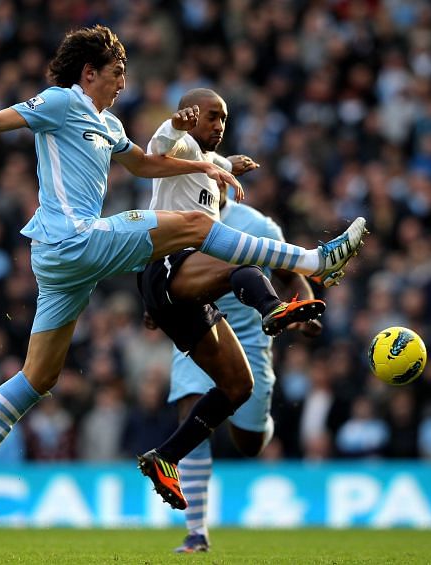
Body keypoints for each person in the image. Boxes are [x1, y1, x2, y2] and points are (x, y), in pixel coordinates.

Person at [0, 25, 367, 528]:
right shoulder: (61, 101)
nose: (123, 83)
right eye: (117, 73)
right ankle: (316, 261)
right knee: (197, 225)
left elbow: (146, 164)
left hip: (64, 262)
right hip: (71, 239)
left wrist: (211, 165)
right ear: (90, 72)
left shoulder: (109, 123)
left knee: (40, 376)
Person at [136, 88, 327, 513]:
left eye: (224, 118)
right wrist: (174, 125)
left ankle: (165, 457)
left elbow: (211, 163)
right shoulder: (180, 143)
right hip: (170, 268)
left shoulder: (210, 168)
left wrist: (230, 162)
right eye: (212, 117)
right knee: (244, 266)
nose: (219, 125)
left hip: (186, 293)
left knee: (240, 387)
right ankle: (273, 309)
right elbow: (158, 148)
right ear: (193, 115)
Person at [164, 188, 323, 553]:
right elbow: (160, 270)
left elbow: (289, 274)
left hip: (250, 339)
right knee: (190, 408)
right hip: (197, 332)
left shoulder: (256, 225)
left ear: (223, 182)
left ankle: (262, 423)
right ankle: (196, 532)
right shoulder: (176, 220)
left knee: (248, 442)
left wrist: (307, 306)